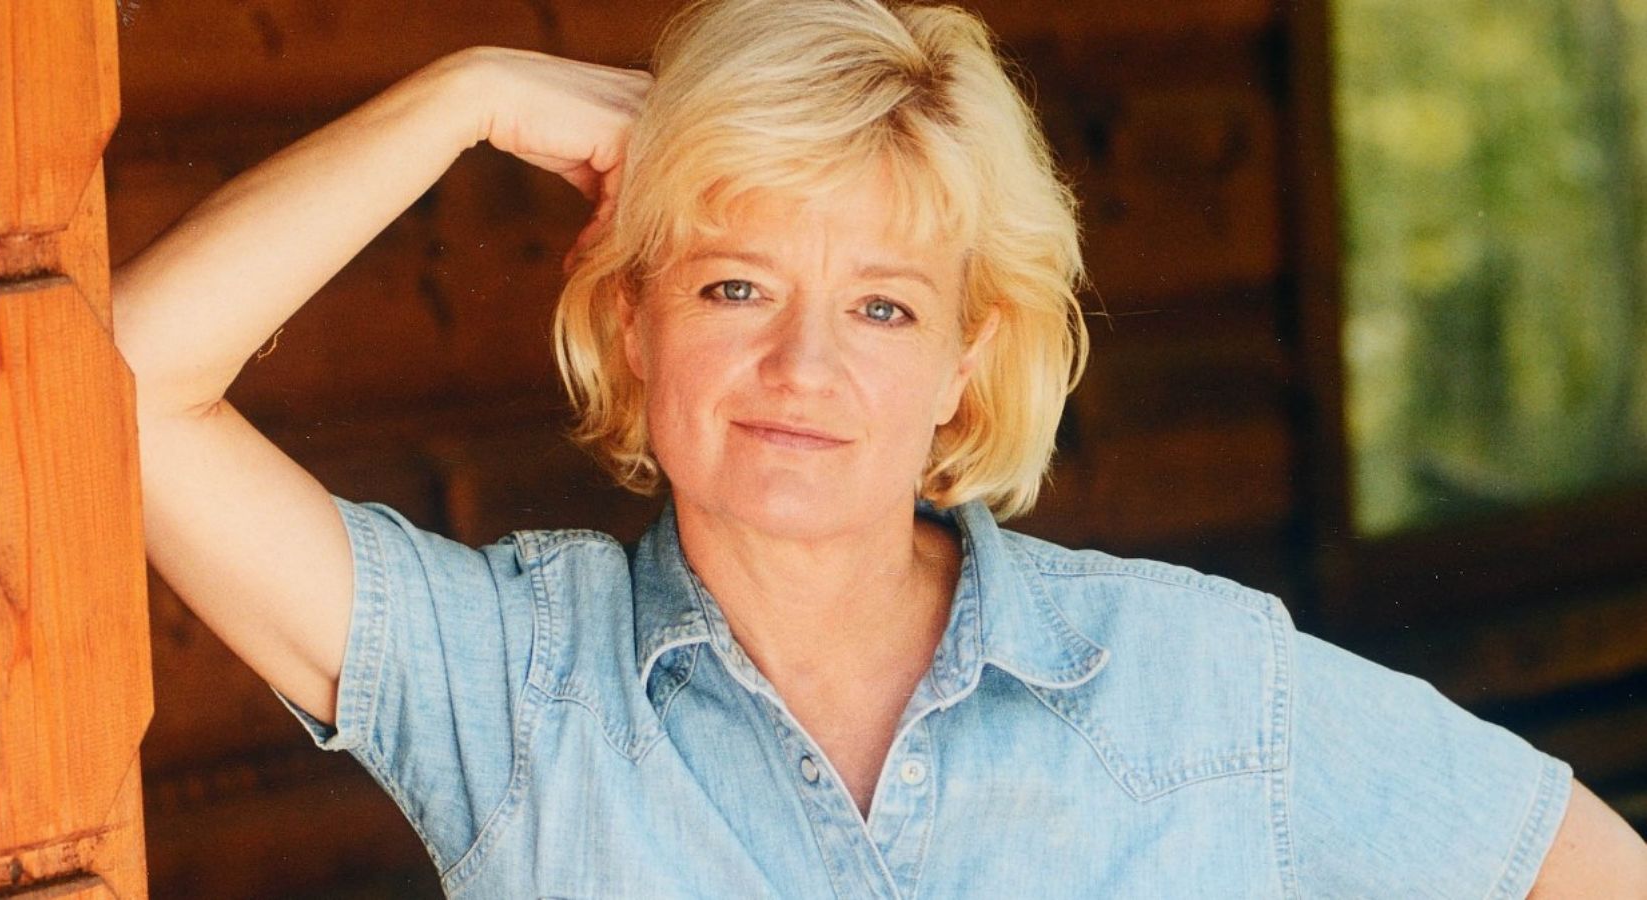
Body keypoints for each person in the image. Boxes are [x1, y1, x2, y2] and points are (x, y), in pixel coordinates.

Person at [110, 0, 1647, 896]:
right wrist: (468, 95)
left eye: (884, 308)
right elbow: (126, 384)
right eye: (734, 286)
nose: (803, 368)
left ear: (964, 360)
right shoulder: (515, 685)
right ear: (633, 320)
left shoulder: (1189, 677)